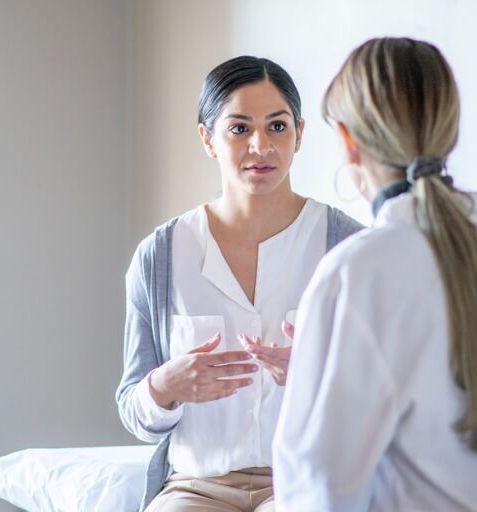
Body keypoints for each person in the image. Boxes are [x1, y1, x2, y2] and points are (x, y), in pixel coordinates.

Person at [272, 37, 477, 511]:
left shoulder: (358, 273)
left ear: (348, 143)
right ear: (448, 130)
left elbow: (314, 492)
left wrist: (319, 369)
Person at [115, 55, 363, 512]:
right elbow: (134, 409)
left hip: (305, 484)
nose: (260, 146)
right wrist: (164, 387)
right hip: (195, 488)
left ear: (300, 134)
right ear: (208, 138)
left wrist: (320, 378)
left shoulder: (347, 247)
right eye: (239, 129)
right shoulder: (160, 256)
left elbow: (385, 400)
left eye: (277, 127)